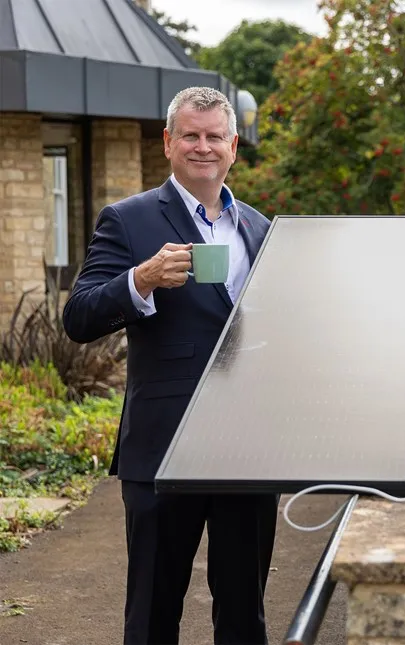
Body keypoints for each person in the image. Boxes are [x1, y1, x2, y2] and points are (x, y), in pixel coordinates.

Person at [63, 87, 276, 644]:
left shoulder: (260, 229)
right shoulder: (128, 220)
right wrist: (141, 280)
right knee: (153, 614)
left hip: (246, 449)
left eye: (214, 137)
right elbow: (79, 317)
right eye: (190, 135)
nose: (203, 147)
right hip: (163, 447)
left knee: (244, 615)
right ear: (168, 142)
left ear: (233, 147)